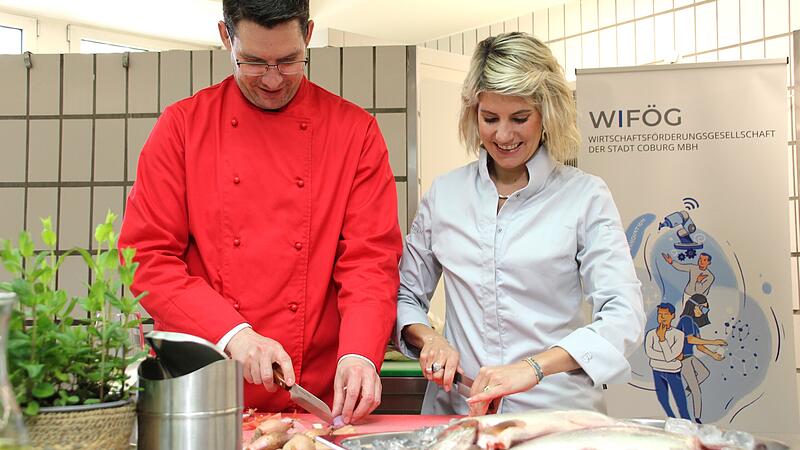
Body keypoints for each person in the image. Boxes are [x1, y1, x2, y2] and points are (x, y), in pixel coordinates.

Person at [118, 0, 403, 424]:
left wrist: (360, 352)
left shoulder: (354, 132)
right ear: (225, 37)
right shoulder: (182, 127)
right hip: (204, 394)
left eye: (289, 61)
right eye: (253, 62)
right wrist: (235, 334)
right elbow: (146, 257)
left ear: (308, 35)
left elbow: (370, 261)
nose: (273, 80)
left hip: (315, 399)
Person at [394, 32, 645, 416]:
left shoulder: (584, 197)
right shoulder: (446, 195)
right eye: (490, 118)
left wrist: (533, 368)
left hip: (554, 414)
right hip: (460, 411)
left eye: (520, 118)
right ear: (472, 112)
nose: (504, 135)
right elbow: (404, 295)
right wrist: (430, 339)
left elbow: (623, 314)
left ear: (548, 114)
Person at [676, 293, 727, 423]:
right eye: (703, 308)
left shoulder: (694, 324)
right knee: (696, 390)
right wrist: (714, 342)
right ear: (694, 306)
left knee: (704, 372)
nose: (704, 312)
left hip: (689, 357)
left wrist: (713, 355)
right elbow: (691, 339)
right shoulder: (686, 319)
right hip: (682, 359)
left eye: (706, 309)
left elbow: (700, 346)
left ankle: (686, 391)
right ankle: (697, 419)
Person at [645, 303, 691, 420]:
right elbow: (650, 353)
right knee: (662, 400)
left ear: (672, 316)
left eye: (665, 314)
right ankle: (673, 421)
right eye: (660, 314)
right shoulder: (651, 334)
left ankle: (688, 425)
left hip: (673, 372)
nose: (662, 317)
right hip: (656, 370)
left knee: (680, 402)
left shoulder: (678, 335)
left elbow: (671, 356)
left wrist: (662, 339)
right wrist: (668, 356)